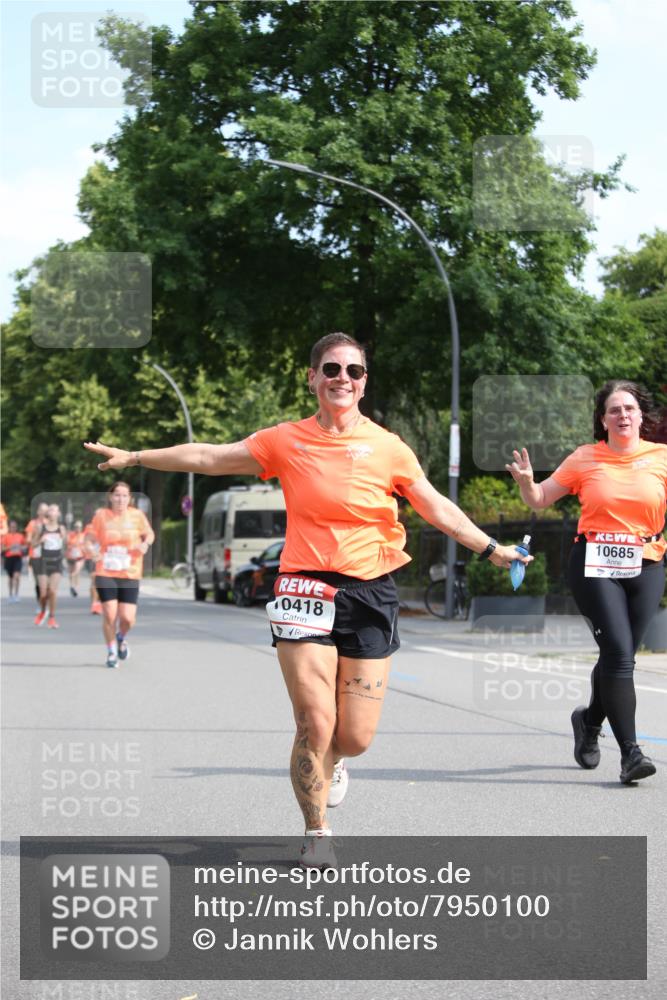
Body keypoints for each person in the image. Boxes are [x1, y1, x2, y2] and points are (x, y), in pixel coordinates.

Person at [85, 332, 529, 866]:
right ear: (313, 377)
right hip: (302, 586)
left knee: (355, 737)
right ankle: (317, 832)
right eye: (332, 369)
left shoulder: (389, 447)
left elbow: (436, 507)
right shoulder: (285, 440)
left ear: (364, 382)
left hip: (370, 590)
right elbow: (206, 455)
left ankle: (335, 762)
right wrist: (134, 456)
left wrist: (490, 549)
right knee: (314, 722)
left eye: (354, 371)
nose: (343, 378)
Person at [506, 380, 666, 785]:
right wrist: (527, 482)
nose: (623, 415)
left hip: (646, 564)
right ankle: (631, 754)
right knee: (618, 653)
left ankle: (589, 721)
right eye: (615, 410)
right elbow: (540, 498)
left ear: (641, 415)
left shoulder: (662, 457)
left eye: (630, 408)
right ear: (603, 419)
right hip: (595, 563)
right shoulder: (585, 458)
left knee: (621, 654)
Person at [85, 482, 154, 669]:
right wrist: (92, 550)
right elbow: (89, 538)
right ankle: (111, 651)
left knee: (128, 618)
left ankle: (120, 637)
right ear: (110, 497)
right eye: (117, 495)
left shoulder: (137, 516)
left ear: (130, 498)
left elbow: (149, 534)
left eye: (124, 495)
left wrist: (145, 544)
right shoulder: (101, 515)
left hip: (130, 572)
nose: (120, 499)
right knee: (109, 612)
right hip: (106, 570)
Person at [30, 503, 66, 628]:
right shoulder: (40, 527)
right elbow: (32, 544)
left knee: (53, 591)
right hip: (43, 562)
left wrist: (63, 541)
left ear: (58, 514)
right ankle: (42, 611)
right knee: (43, 593)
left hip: (56, 562)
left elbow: (65, 546)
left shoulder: (61, 528)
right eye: (50, 510)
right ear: (47, 513)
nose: (52, 512)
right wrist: (40, 540)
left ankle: (52, 617)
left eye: (55, 510)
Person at [25, 502, 48, 611]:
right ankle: (40, 603)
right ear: (38, 511)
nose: (44, 512)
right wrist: (38, 538)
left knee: (48, 581)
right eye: (42, 510)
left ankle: (46, 603)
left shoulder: (50, 523)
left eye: (46, 510)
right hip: (36, 554)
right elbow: (28, 540)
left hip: (49, 556)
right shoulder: (32, 523)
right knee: (38, 582)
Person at [2, 519, 26, 601]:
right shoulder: (6, 536)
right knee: (11, 578)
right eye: (12, 527)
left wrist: (21, 547)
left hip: (17, 558)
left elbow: (25, 546)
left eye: (15, 527)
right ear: (9, 527)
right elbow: (2, 549)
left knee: (17, 576)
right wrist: (10, 547)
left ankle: (16, 594)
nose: (14, 528)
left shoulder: (20, 536)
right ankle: (10, 594)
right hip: (9, 558)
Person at [65, 519, 85, 597]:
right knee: (71, 573)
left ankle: (74, 587)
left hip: (80, 557)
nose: (78, 528)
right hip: (71, 556)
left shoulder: (83, 536)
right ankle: (72, 586)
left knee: (75, 572)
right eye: (76, 527)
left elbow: (86, 545)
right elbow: (67, 544)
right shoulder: (70, 535)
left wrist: (83, 548)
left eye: (79, 527)